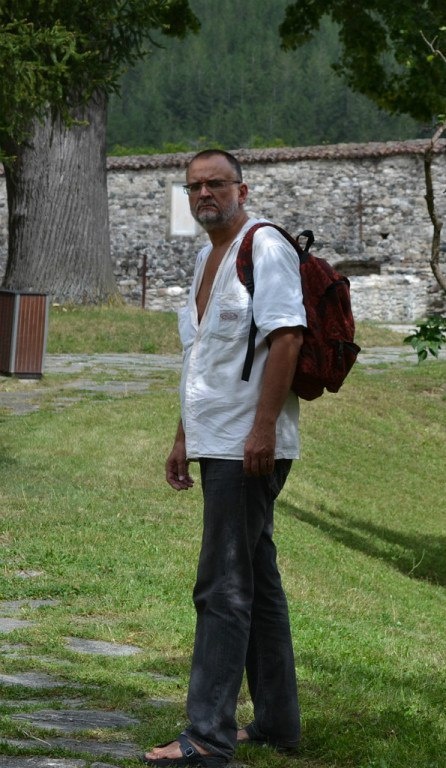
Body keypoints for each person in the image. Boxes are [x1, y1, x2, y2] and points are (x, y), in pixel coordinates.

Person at [142, 149, 307, 767]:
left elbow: (287, 337)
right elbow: (202, 359)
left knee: (223, 587)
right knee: (257, 582)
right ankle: (278, 724)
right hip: (217, 439)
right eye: (194, 187)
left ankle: (207, 737)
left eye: (216, 184)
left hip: (248, 445)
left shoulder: (265, 246)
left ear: (243, 189)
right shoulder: (206, 257)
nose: (204, 194)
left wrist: (262, 429)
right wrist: (183, 435)